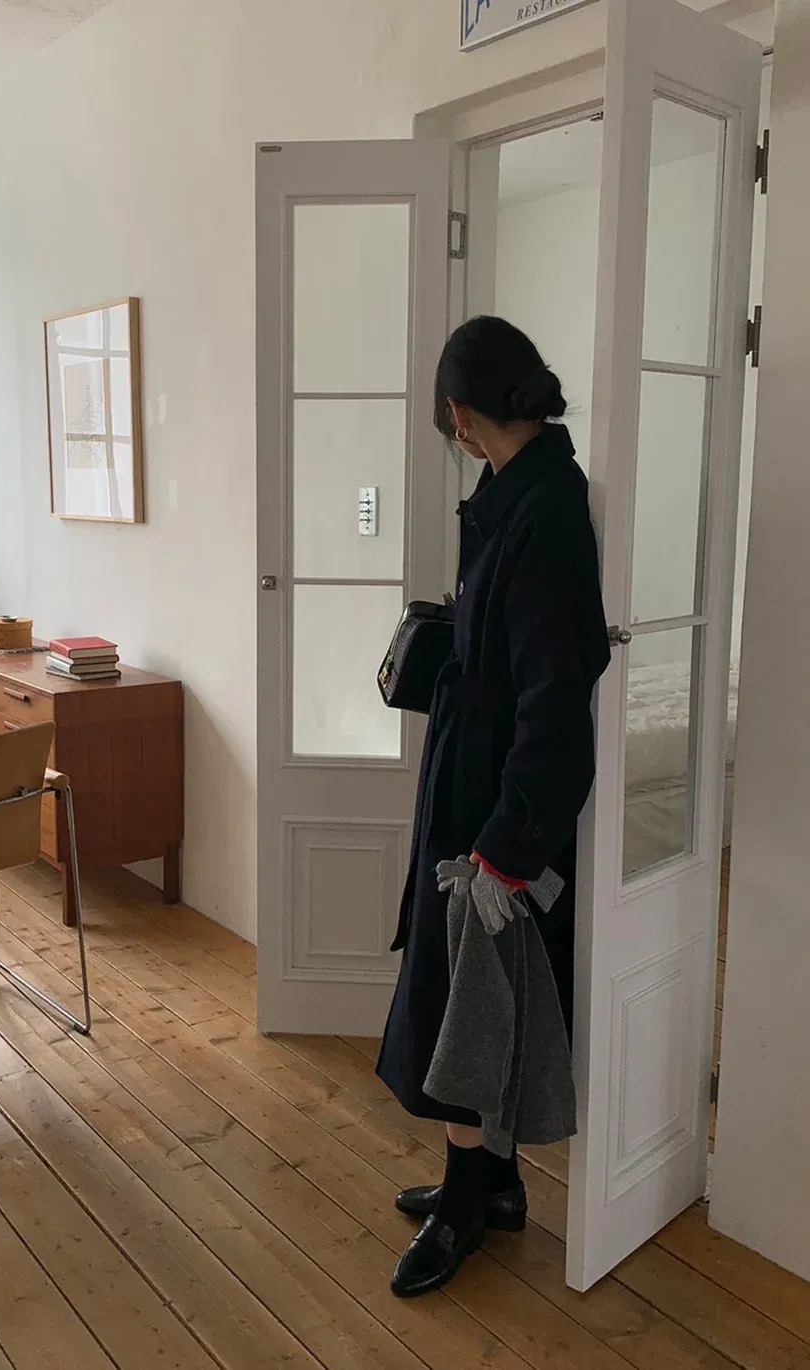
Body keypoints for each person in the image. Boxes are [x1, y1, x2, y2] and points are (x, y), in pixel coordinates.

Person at [376, 315, 611, 1298]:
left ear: (461, 415)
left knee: (464, 995)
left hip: (497, 798)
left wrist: (510, 843)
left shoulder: (547, 507)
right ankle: (494, 1183)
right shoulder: (521, 489)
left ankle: (470, 1198)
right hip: (473, 774)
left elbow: (555, 696)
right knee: (464, 985)